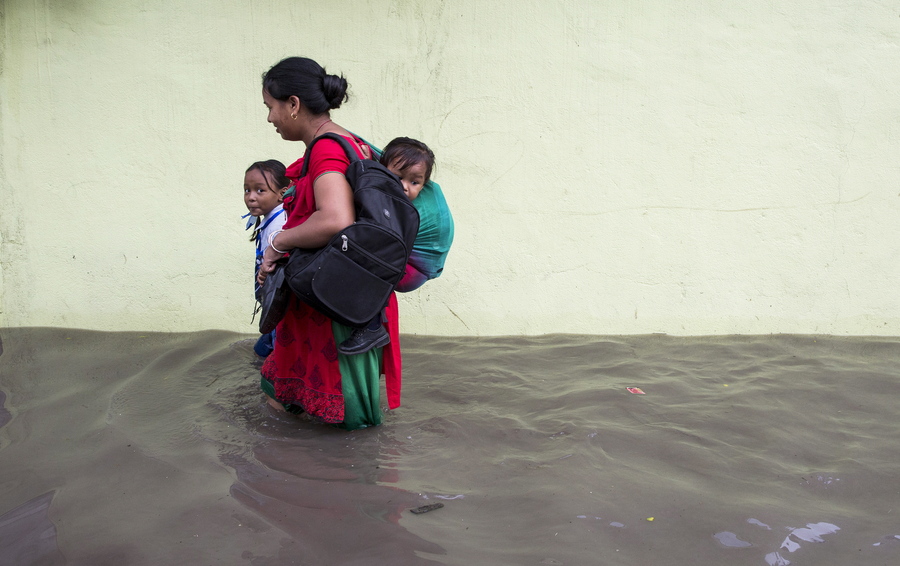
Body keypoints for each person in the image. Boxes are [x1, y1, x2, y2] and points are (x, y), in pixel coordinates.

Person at [255, 56, 402, 430]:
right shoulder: (352, 142)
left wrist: (278, 243)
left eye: (270, 107)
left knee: (332, 417)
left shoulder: (326, 149)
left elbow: (336, 219)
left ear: (293, 104)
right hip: (350, 294)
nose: (270, 118)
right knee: (321, 411)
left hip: (333, 298)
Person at [337, 136, 454, 355]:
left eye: (415, 182)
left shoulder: (404, 211)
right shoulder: (404, 195)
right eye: (397, 177)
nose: (405, 187)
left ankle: (371, 327)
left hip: (412, 271)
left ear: (425, 184)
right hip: (415, 264)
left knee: (366, 260)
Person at [242, 159, 288, 357]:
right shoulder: (270, 219)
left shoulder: (279, 225)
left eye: (260, 190)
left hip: (280, 305)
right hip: (272, 303)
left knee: (273, 357)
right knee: (262, 353)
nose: (251, 197)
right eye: (247, 190)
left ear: (282, 194)